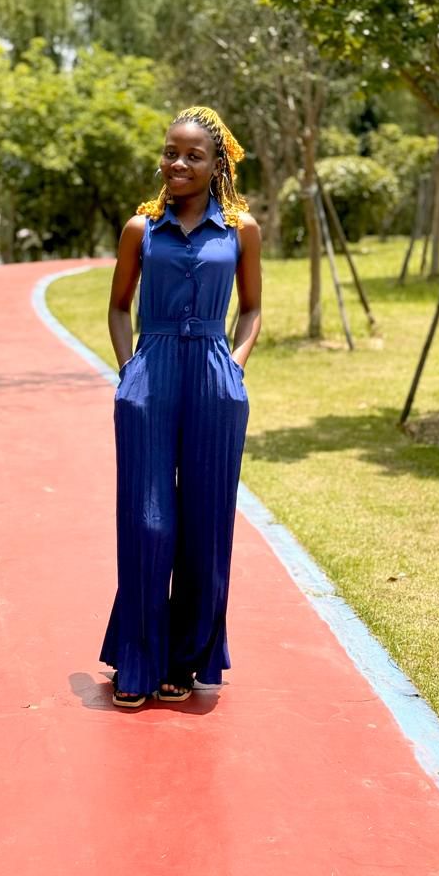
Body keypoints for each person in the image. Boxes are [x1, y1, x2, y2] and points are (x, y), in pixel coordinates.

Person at [99, 105, 262, 708]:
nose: (178, 163)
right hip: (153, 373)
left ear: (218, 162)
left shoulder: (241, 228)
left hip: (215, 381)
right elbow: (119, 307)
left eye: (193, 155)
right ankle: (138, 662)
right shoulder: (141, 229)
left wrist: (234, 369)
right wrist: (129, 371)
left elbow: (251, 308)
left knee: (205, 525)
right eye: (171, 152)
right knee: (148, 521)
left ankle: (188, 660)